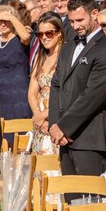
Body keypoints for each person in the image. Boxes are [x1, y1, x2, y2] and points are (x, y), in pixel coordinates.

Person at [47, 0, 106, 176]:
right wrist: (55, 123)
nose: (75, 26)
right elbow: (57, 85)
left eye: (80, 20)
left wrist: (64, 127)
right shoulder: (68, 46)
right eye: (71, 21)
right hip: (65, 139)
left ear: (94, 13)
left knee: (90, 201)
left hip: (90, 138)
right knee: (71, 201)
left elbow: (92, 97)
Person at [0, 5, 32, 139]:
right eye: (0, 21)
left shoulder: (20, 36)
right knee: (4, 134)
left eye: (7, 20)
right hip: (1, 93)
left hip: (19, 92)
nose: (3, 23)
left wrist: (10, 17)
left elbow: (26, 37)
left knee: (19, 134)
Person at [29, 12, 64, 155]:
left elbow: (68, 92)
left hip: (58, 117)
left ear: (59, 33)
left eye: (49, 33)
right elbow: (32, 92)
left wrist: (46, 115)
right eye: (40, 34)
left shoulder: (66, 57)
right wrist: (38, 116)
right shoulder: (40, 56)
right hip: (39, 121)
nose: (44, 37)